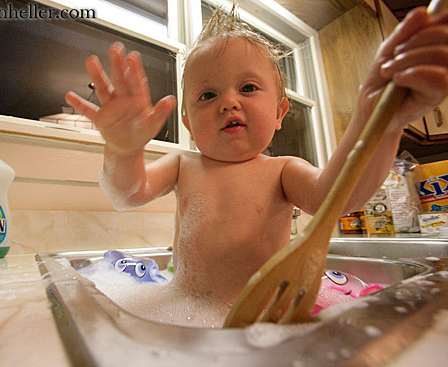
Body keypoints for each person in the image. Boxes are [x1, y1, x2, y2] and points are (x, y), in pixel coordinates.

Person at [66, 5, 448, 314]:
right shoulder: (184, 165)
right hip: (185, 310)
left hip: (267, 317)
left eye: (248, 87)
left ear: (281, 111)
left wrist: (381, 121)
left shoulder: (283, 170)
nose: (229, 101)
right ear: (188, 123)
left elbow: (339, 195)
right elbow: (126, 193)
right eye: (207, 95)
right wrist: (123, 149)